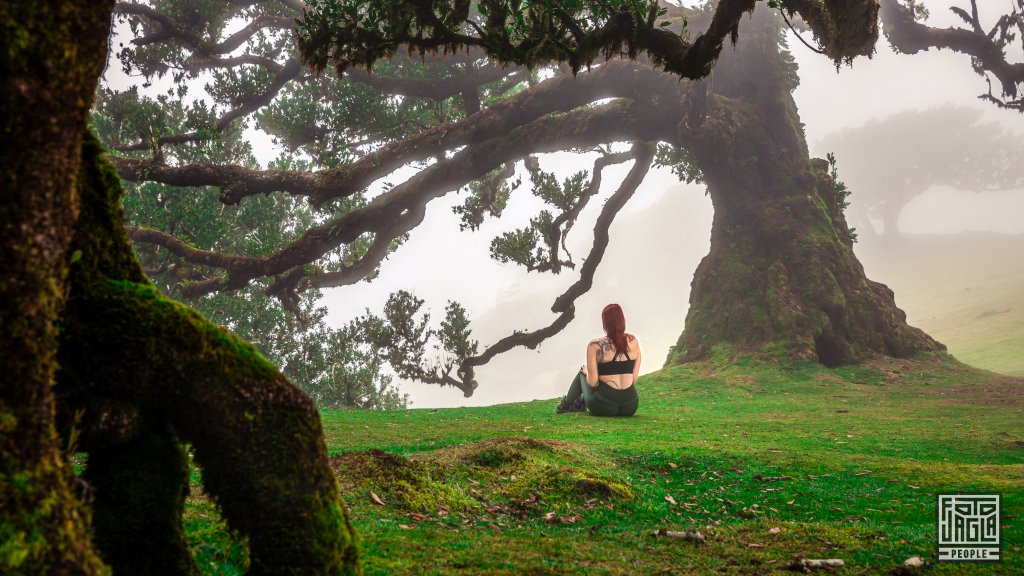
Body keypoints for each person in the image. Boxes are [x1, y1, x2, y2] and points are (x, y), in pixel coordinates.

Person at [555, 303, 640, 416]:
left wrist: (586, 372)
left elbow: (592, 382)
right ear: (622, 320)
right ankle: (578, 403)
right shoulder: (633, 341)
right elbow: (633, 378)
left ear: (605, 323)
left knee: (582, 372)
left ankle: (566, 405)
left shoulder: (595, 345)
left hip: (604, 406)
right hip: (630, 405)